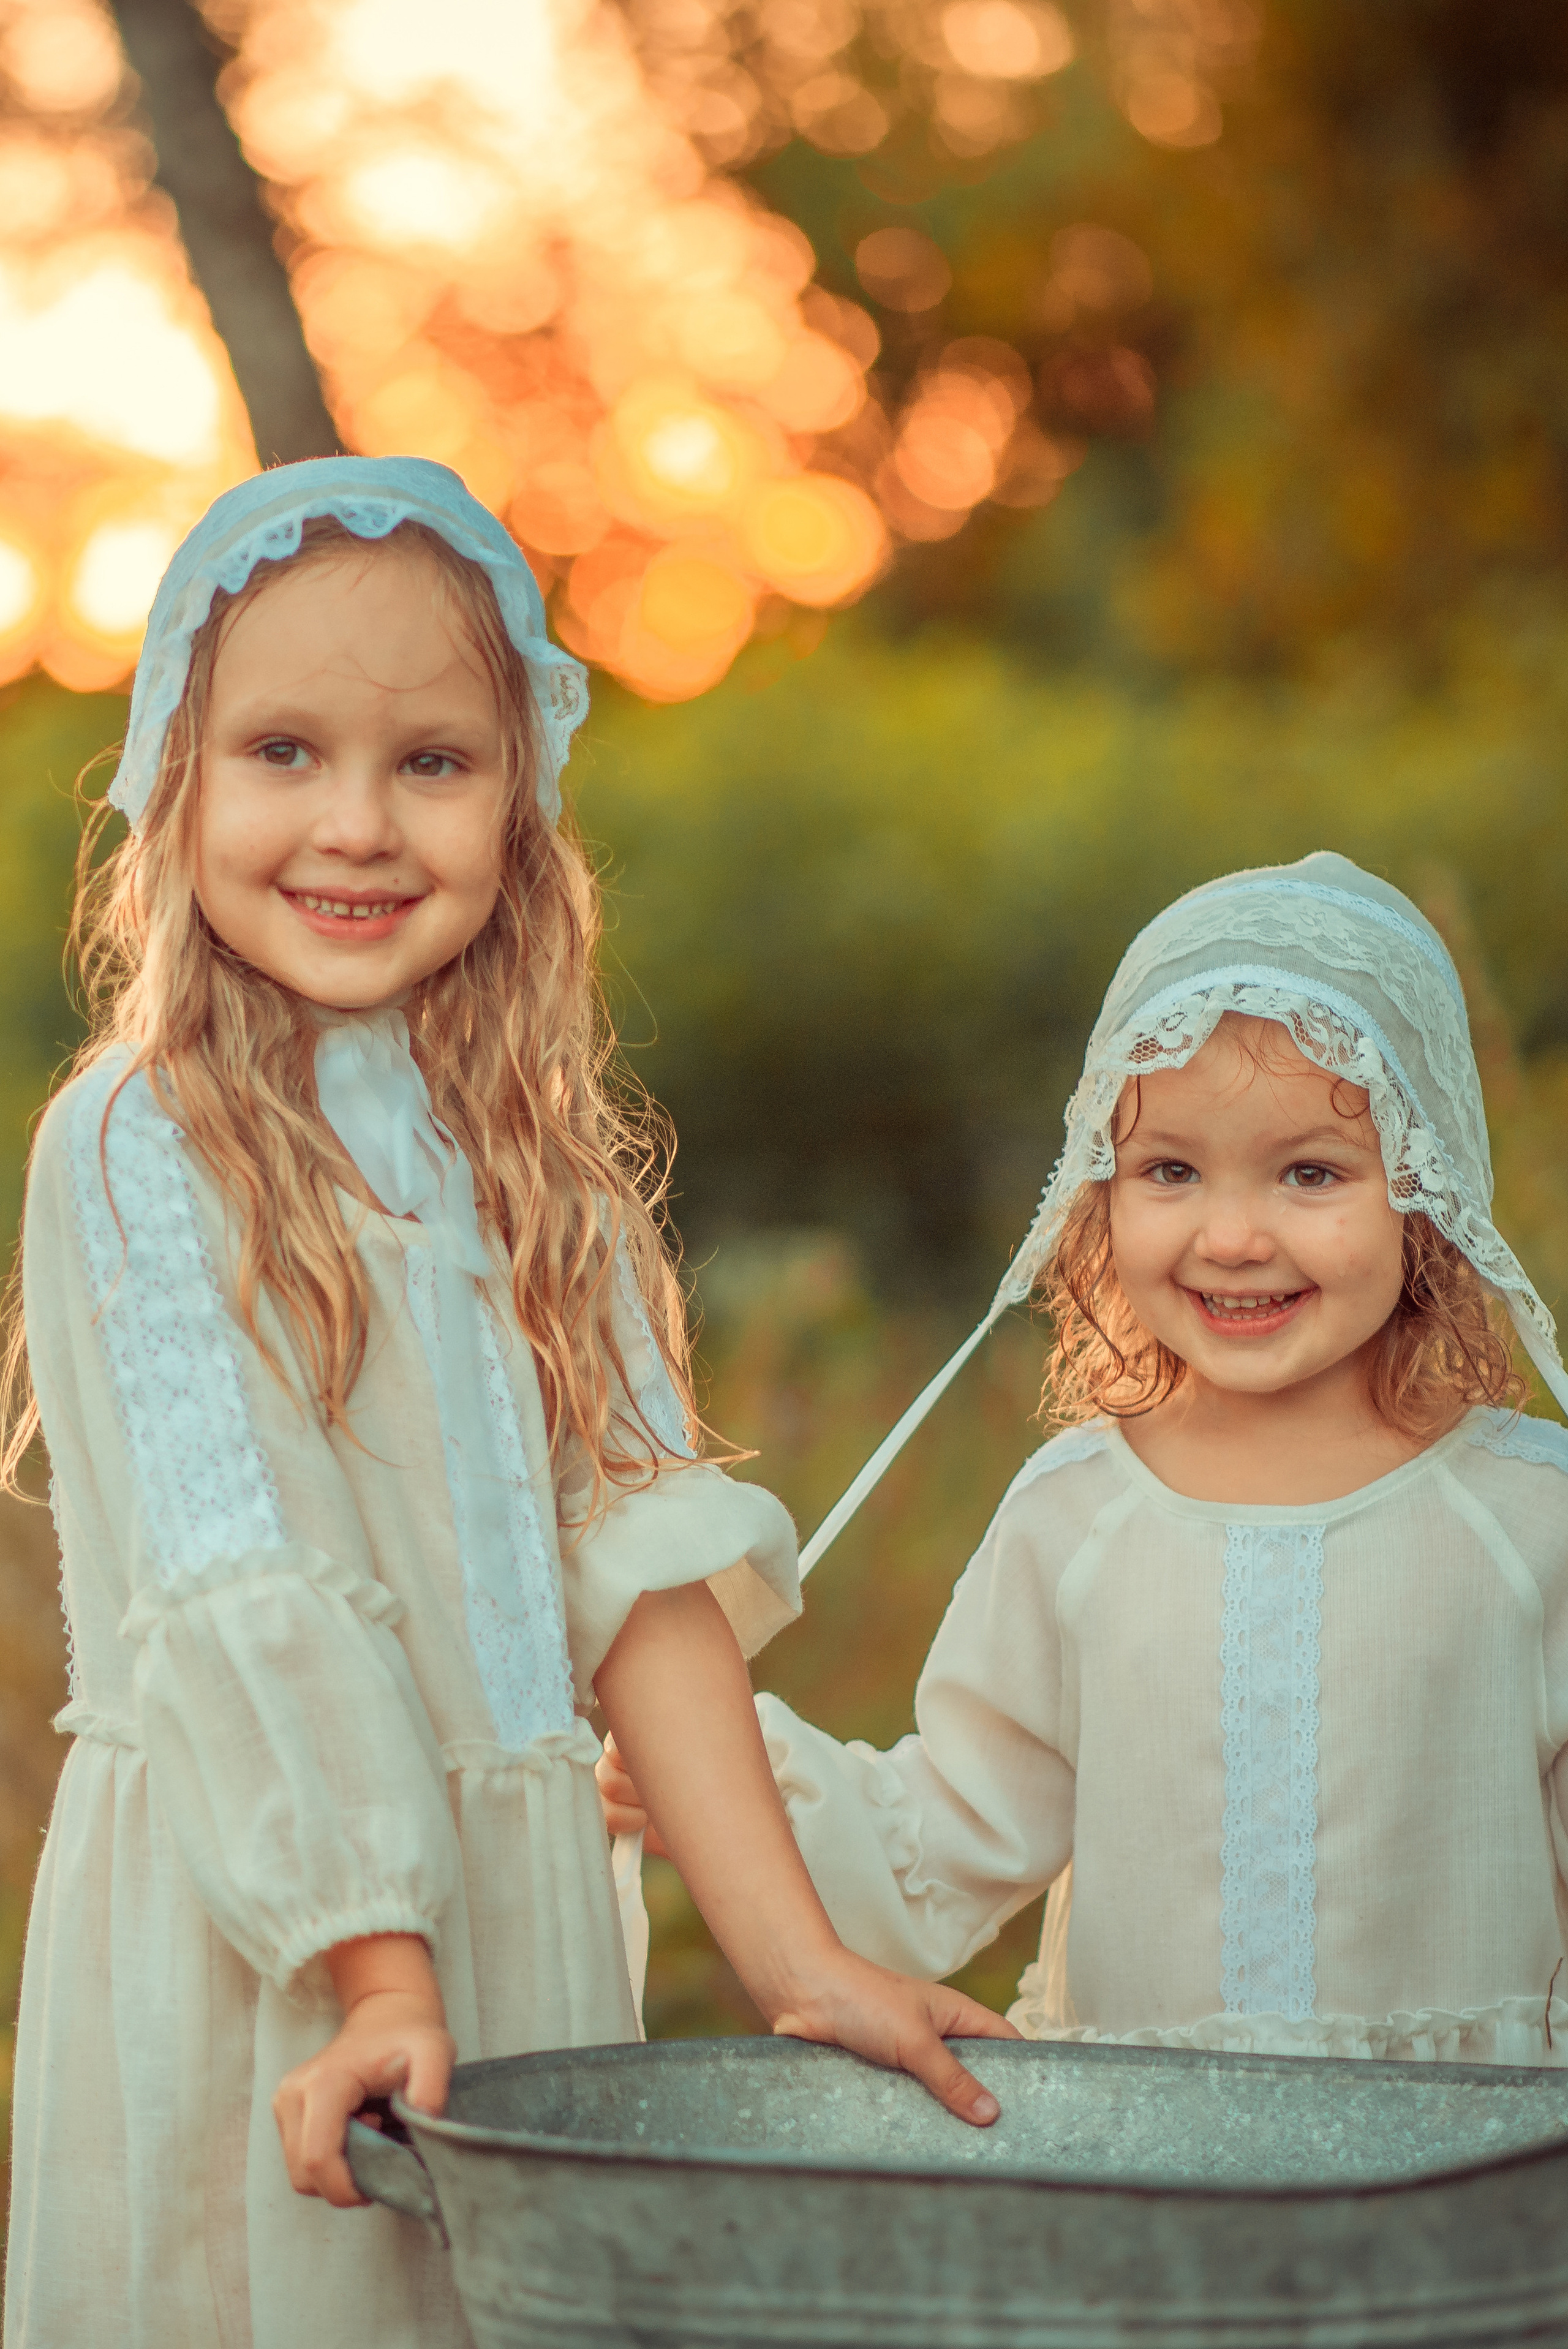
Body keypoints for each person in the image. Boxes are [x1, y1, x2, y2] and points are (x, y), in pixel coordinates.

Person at [1, 457, 1010, 2349]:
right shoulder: (142, 1140)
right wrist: (378, 1968)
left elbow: (644, 1589)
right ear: (175, 776)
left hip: (513, 1914)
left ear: (519, 805)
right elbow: (246, 1585)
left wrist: (801, 1959)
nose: (358, 824)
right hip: (281, 1920)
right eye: (284, 751)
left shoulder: (540, 1177)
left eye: (433, 763)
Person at [601, 853, 1568, 2065]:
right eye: (1170, 1171)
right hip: (1140, 2151)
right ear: (1098, 1188)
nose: (1230, 1235)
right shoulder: (1077, 1517)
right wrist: (725, 1780)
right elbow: (956, 1828)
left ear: (1426, 1190)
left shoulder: (1530, 1520)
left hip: (1466, 2161)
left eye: (1310, 1173)